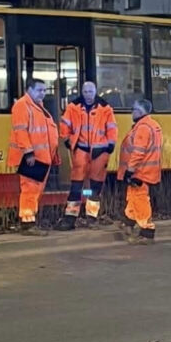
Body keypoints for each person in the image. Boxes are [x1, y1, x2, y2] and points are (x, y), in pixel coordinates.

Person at [57, 81, 118, 230]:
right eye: (85, 92)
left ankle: (92, 218)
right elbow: (64, 124)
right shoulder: (73, 107)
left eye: (90, 92)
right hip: (81, 150)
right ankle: (70, 219)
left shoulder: (106, 109)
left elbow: (112, 128)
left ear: (95, 91)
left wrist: (110, 145)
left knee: (94, 188)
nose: (88, 95)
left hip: (99, 152)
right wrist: (67, 140)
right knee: (76, 186)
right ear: (82, 92)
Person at [8, 78, 60, 231]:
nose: (42, 93)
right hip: (31, 157)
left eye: (44, 90)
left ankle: (30, 220)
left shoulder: (38, 106)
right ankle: (27, 223)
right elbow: (21, 131)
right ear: (29, 90)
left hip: (41, 157)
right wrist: (28, 152)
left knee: (35, 190)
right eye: (39, 90)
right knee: (30, 189)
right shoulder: (22, 106)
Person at [119, 98, 163, 245]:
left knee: (140, 200)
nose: (132, 112)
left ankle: (147, 232)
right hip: (147, 170)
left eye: (134, 109)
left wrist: (130, 170)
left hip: (140, 171)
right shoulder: (153, 125)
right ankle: (128, 224)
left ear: (140, 111)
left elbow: (138, 151)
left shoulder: (143, 127)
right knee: (133, 198)